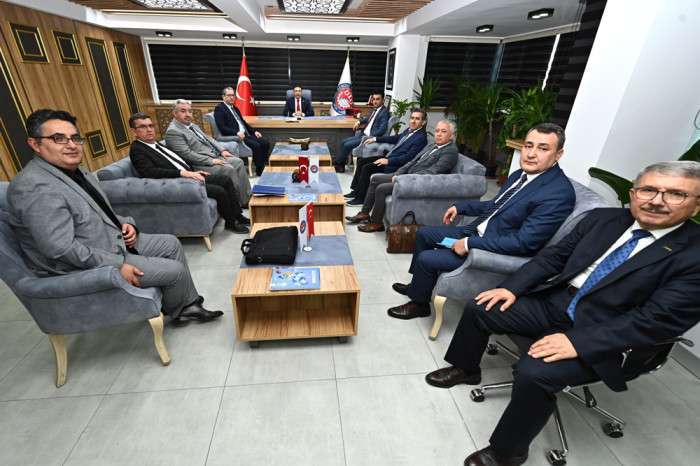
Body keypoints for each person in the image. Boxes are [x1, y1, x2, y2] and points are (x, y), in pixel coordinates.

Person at [425, 160, 700, 466]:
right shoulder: (603, 219)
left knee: (535, 371)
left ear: (696, 205)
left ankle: (507, 452)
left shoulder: (694, 255)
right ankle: (466, 368)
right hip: (557, 302)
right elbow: (554, 258)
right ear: (634, 194)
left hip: (607, 330)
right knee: (482, 305)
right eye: (648, 190)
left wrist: (577, 342)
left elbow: (657, 321)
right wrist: (512, 288)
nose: (657, 201)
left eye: (675, 194)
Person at [7, 109, 223, 324]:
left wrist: (126, 224)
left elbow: (100, 211)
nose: (71, 145)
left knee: (171, 243)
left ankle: (185, 305)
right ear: (35, 144)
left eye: (75, 138)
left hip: (110, 239)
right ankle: (180, 306)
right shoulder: (34, 187)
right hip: (86, 260)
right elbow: (59, 249)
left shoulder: (77, 171)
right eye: (58, 138)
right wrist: (117, 264)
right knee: (175, 271)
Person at [388, 122, 575, 320]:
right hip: (477, 231)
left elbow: (523, 243)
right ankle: (417, 286)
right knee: (424, 234)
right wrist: (461, 207)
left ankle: (420, 305)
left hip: (491, 249)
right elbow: (497, 205)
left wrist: (469, 244)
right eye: (528, 146)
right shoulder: (521, 175)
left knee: (427, 259)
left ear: (558, 154)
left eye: (543, 148)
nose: (531, 154)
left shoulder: (557, 194)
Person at [128, 113, 250, 233]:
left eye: (150, 125)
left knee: (225, 180)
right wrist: (183, 173)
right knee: (219, 191)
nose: (149, 129)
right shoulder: (137, 149)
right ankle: (230, 223)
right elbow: (150, 172)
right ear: (134, 131)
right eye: (143, 127)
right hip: (176, 183)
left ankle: (238, 215)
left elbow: (175, 161)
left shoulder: (156, 143)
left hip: (188, 175)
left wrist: (193, 171)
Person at [345, 119, 459, 232]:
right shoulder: (432, 145)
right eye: (437, 131)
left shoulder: (450, 151)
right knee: (375, 179)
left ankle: (376, 223)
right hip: (407, 175)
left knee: (381, 188)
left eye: (443, 131)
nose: (439, 134)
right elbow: (412, 161)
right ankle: (364, 213)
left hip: (417, 182)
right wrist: (398, 173)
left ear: (452, 135)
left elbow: (433, 172)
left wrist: (402, 178)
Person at [164, 99, 251, 206]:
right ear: (174, 113)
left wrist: (222, 150)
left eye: (189, 111)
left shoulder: (192, 125)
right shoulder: (173, 132)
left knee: (238, 162)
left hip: (213, 155)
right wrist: (211, 161)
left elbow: (209, 138)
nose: (188, 114)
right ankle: (236, 203)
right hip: (199, 164)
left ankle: (246, 198)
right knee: (228, 169)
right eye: (183, 111)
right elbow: (187, 154)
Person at [345, 108, 428, 206]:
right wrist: (375, 139)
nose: (413, 121)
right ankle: (356, 191)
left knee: (367, 168)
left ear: (423, 122)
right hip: (389, 157)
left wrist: (388, 161)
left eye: (417, 119)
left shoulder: (421, 138)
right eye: (412, 118)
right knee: (361, 161)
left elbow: (408, 158)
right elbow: (395, 138)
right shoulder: (409, 130)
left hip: (395, 164)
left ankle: (360, 199)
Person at [214, 87, 271, 176]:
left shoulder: (235, 108)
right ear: (223, 97)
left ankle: (263, 165)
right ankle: (260, 170)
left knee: (265, 143)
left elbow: (243, 122)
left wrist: (254, 131)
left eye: (233, 95)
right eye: (229, 95)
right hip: (237, 136)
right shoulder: (220, 109)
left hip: (246, 134)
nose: (232, 97)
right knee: (256, 145)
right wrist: (236, 133)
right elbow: (222, 127)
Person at [334, 91, 390, 173]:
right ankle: (340, 165)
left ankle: (338, 164)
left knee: (346, 145)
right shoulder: (375, 109)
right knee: (343, 142)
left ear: (383, 100)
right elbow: (367, 118)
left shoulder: (384, 113)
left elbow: (382, 130)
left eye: (377, 99)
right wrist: (359, 121)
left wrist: (371, 137)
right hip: (363, 135)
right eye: (374, 99)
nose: (375, 101)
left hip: (367, 138)